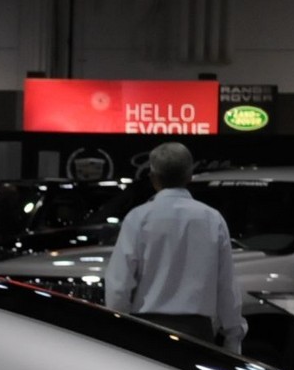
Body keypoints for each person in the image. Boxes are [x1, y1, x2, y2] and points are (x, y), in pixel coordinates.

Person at [100, 141, 244, 351]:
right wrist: (233, 335)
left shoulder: (138, 218)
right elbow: (226, 285)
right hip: (198, 333)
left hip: (146, 331)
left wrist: (119, 328)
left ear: (153, 177)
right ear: (190, 176)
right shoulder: (212, 219)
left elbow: (119, 285)